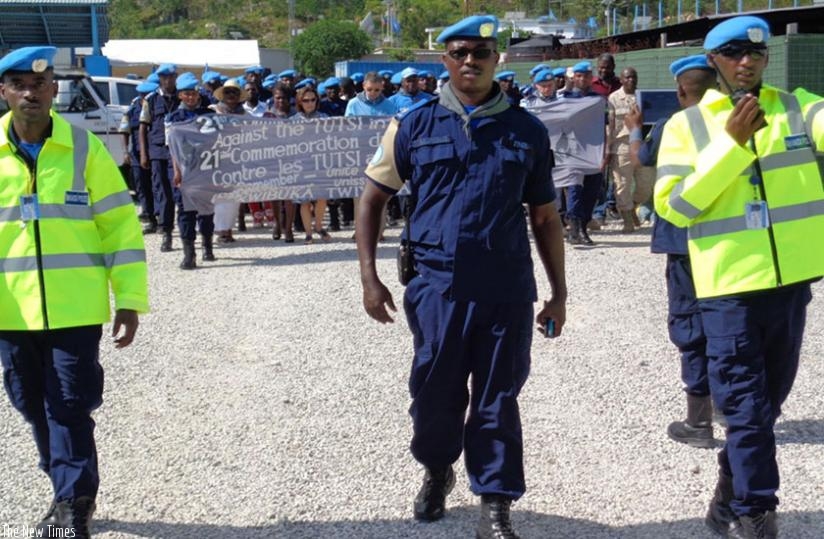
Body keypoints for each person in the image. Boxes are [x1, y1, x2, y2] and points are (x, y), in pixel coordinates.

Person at [356, 15, 567, 539]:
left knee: (498, 398)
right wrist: (369, 275)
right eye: (458, 53)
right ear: (444, 62)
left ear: (497, 59)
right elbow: (372, 198)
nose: (469, 61)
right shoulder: (413, 125)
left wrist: (559, 293)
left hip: (505, 286)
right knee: (434, 392)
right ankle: (436, 468)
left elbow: (544, 216)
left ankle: (495, 504)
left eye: (480, 52)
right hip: (436, 287)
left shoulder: (527, 130)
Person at [654, 16, 824, 539]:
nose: (746, 62)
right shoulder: (687, 127)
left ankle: (728, 491)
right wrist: (730, 145)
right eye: (732, 53)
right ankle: (756, 514)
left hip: (791, 284)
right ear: (713, 62)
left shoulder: (798, 106)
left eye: (755, 54)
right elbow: (677, 207)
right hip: (727, 289)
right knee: (745, 410)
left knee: (767, 406)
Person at [0, 46, 149, 538]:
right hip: (10, 313)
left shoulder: (85, 149)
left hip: (75, 310)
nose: (30, 93)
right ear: (3, 91)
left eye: (40, 84)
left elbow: (120, 230)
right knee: (29, 403)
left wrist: (128, 297)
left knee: (67, 404)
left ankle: (72, 505)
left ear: (53, 90)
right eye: (19, 84)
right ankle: (63, 486)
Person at [626, 55, 721, 450]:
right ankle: (730, 406)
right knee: (730, 324)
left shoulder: (671, 126)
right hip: (729, 244)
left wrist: (634, 129)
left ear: (682, 90)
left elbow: (642, 160)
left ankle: (699, 422)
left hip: (684, 243)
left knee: (690, 324)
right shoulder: (739, 121)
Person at [166, 72, 215, 269]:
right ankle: (189, 253)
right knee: (186, 212)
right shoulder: (173, 118)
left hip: (205, 168)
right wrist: (177, 171)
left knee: (206, 210)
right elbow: (172, 148)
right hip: (184, 169)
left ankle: (207, 246)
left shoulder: (209, 115)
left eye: (194, 93)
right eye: (187, 94)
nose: (191, 97)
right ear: (180, 95)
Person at [607, 66, 654, 233]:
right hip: (621, 146)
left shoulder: (643, 98)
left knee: (646, 184)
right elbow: (611, 126)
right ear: (621, 80)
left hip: (642, 144)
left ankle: (633, 206)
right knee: (622, 184)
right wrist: (608, 149)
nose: (631, 80)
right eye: (627, 77)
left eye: (634, 77)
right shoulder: (613, 98)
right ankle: (627, 218)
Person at [139, 63, 179, 252]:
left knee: (179, 191)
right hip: (158, 152)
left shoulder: (183, 97)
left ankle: (189, 230)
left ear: (175, 77)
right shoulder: (151, 100)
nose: (167, 80)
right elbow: (143, 127)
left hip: (179, 152)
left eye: (170, 77)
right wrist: (144, 153)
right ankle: (167, 232)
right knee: (163, 192)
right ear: (160, 79)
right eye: (164, 77)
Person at [209, 78, 248, 243]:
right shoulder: (212, 112)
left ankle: (228, 229)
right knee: (218, 197)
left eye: (234, 92)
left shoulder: (247, 115)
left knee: (234, 198)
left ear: (239, 95)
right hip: (217, 160)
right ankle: (218, 230)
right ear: (222, 95)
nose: (231, 95)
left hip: (238, 160)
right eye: (228, 92)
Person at [295, 86, 332, 243]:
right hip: (300, 164)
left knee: (322, 197)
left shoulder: (324, 118)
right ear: (300, 102)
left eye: (313, 100)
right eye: (306, 100)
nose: (309, 103)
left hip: (320, 162)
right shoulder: (292, 121)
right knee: (304, 200)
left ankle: (318, 226)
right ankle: (308, 233)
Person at [119, 78, 157, 225]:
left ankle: (158, 214)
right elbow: (124, 131)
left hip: (154, 152)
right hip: (137, 153)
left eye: (147, 95)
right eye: (142, 95)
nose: (145, 98)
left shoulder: (156, 107)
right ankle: (148, 213)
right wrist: (125, 152)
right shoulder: (131, 111)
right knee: (141, 185)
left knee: (156, 185)